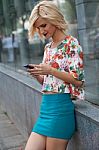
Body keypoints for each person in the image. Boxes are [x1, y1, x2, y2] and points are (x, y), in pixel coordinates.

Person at [25, 1, 85, 150]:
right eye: (38, 27)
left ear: (53, 19)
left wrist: (50, 70)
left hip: (61, 109)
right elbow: (48, 83)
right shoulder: (48, 48)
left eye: (43, 25)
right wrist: (38, 75)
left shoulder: (71, 43)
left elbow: (79, 81)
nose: (41, 30)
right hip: (45, 108)